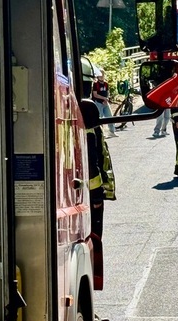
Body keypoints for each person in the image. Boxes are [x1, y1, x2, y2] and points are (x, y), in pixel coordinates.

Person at [81, 100, 116, 239]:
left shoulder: (84, 124)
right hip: (90, 193)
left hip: (84, 191)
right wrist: (96, 195)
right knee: (94, 236)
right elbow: (90, 162)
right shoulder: (89, 127)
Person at [91, 69, 117, 138]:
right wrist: (103, 98)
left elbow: (107, 92)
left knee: (110, 116)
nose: (102, 76)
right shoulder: (95, 84)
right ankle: (101, 134)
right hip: (98, 102)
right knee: (100, 118)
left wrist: (106, 99)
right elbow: (95, 94)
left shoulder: (106, 84)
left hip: (105, 102)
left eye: (103, 74)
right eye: (100, 75)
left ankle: (112, 131)